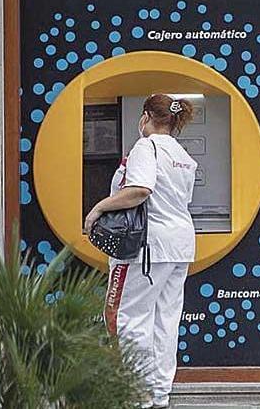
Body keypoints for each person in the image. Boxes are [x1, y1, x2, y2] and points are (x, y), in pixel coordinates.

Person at [84, 94, 198, 409]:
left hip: (145, 250)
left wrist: (97, 209)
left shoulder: (146, 148)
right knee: (165, 320)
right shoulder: (183, 155)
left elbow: (139, 190)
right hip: (180, 246)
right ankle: (159, 395)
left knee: (125, 317)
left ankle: (133, 395)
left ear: (146, 116)